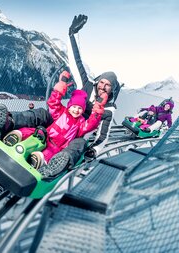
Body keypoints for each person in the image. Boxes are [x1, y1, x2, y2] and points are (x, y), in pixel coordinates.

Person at [0, 71, 108, 177]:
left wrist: (96, 112)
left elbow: (90, 125)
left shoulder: (81, 122)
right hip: (45, 135)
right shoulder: (61, 112)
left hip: (56, 146)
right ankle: (11, 133)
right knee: (29, 133)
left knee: (47, 154)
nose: (76, 110)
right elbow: (53, 104)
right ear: (69, 105)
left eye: (80, 109)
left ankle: (40, 163)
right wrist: (58, 91)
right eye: (74, 107)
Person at [69, 14, 121, 160]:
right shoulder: (86, 85)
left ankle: (63, 161)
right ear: (98, 81)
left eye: (108, 85)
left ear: (112, 89)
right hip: (63, 121)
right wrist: (73, 34)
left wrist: (95, 149)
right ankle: (9, 122)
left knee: (78, 144)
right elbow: (76, 61)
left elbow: (103, 134)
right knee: (41, 114)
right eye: (102, 82)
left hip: (79, 132)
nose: (103, 87)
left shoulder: (109, 109)